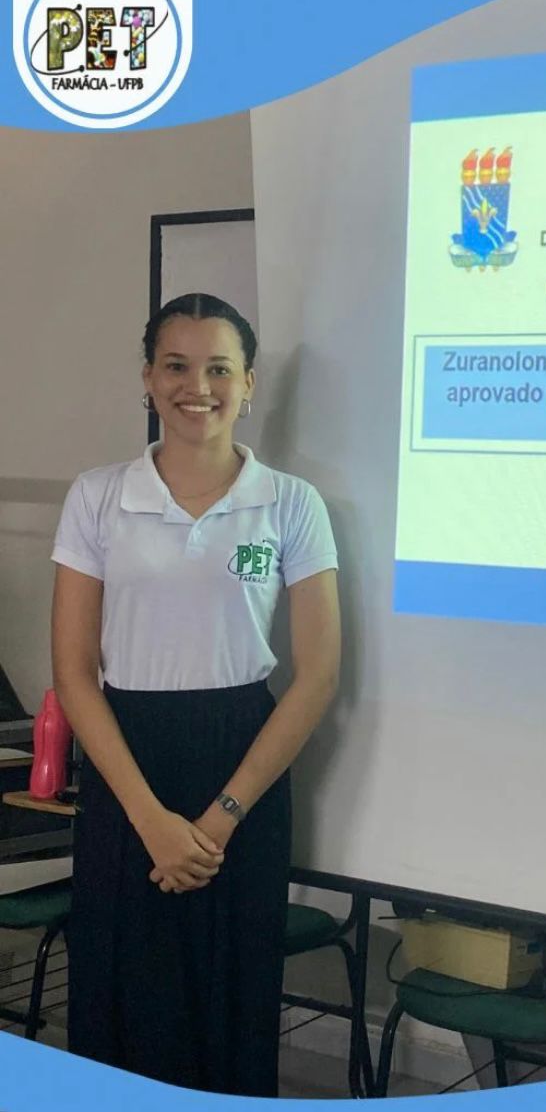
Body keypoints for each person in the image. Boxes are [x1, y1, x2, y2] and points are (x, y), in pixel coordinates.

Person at [50, 292, 341, 1095]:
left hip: (243, 763)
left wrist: (219, 820)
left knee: (230, 1000)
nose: (197, 386)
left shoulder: (291, 503)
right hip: (125, 763)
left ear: (248, 384)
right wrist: (150, 820)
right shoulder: (98, 495)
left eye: (219, 368)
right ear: (148, 378)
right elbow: (74, 673)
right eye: (175, 366)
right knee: (122, 993)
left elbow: (317, 675)